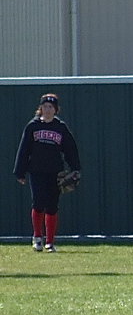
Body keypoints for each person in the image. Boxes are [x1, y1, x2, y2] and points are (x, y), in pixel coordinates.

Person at [12, 93, 81, 253]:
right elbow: (24, 149)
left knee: (52, 206)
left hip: (55, 172)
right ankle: (37, 237)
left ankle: (49, 242)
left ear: (56, 109)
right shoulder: (33, 126)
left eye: (51, 107)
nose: (47, 109)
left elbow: (70, 150)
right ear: (40, 108)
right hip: (36, 171)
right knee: (38, 203)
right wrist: (20, 172)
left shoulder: (60, 127)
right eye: (45, 106)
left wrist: (75, 168)